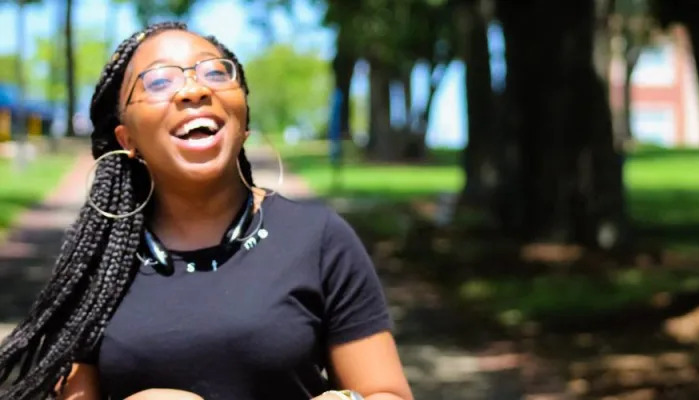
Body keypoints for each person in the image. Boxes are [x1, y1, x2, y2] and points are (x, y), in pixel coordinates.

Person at [0, 22, 413, 400]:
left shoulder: (319, 237)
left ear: (243, 117)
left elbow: (387, 393)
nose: (194, 90)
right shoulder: (96, 260)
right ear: (127, 139)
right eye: (158, 80)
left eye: (216, 72)